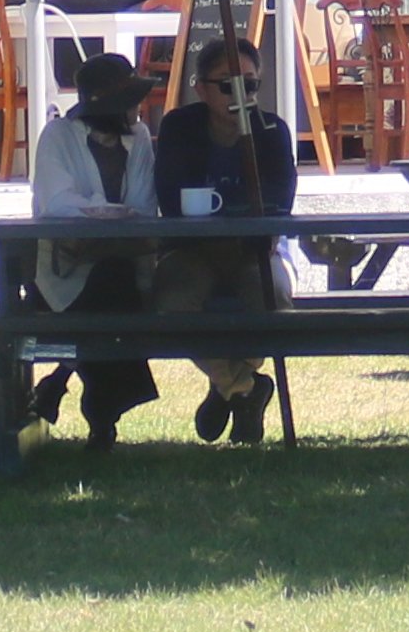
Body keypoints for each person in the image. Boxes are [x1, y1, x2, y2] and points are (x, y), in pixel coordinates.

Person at [144, 29, 299, 444]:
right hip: (192, 250)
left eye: (250, 84)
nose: (240, 93)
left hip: (253, 250)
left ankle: (224, 386)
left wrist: (258, 232)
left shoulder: (271, 131)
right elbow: (170, 195)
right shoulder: (179, 127)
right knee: (171, 303)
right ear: (200, 89)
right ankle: (245, 388)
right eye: (227, 84)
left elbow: (282, 198)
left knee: (276, 300)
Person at [21, 49, 168, 444]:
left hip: (121, 264)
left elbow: (142, 206)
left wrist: (105, 226)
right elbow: (57, 203)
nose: (138, 108)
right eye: (130, 100)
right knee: (112, 284)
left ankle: (73, 390)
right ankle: (102, 410)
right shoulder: (58, 136)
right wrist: (110, 222)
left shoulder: (138, 141)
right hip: (63, 274)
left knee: (115, 280)